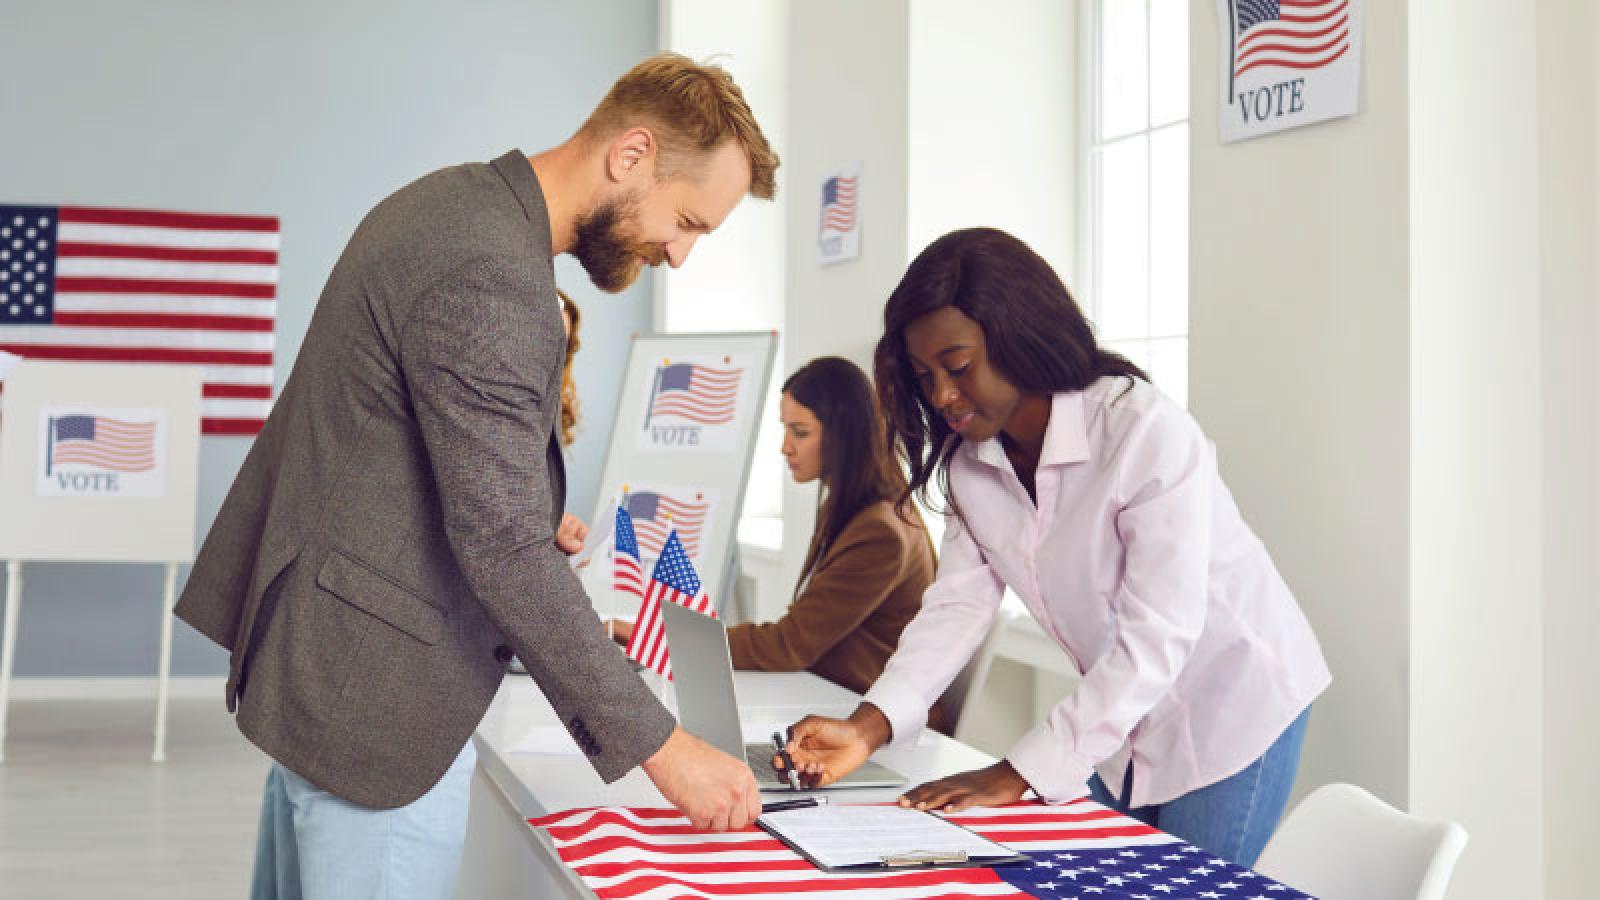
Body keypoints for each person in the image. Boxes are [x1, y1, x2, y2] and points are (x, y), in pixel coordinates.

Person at [174, 52, 779, 900]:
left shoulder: (449, 204)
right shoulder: (494, 275)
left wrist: (527, 522)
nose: (677, 254)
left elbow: (404, 467)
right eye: (688, 221)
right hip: (377, 709)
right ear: (632, 154)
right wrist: (667, 751)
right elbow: (500, 547)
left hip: (330, 668)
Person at [779, 228, 1330, 867]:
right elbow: (956, 610)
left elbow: (1159, 637)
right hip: (1123, 713)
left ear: (1018, 334)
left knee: (1181, 883)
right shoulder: (970, 463)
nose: (942, 397)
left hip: (1232, 702)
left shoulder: (1143, 431)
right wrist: (867, 727)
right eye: (925, 376)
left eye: (957, 368)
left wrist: (1016, 771)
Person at [612, 357, 953, 732]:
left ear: (844, 435)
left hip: (874, 723)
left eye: (800, 432)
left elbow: (789, 644)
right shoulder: (854, 509)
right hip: (835, 698)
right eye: (785, 429)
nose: (785, 447)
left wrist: (670, 636)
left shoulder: (881, 531)